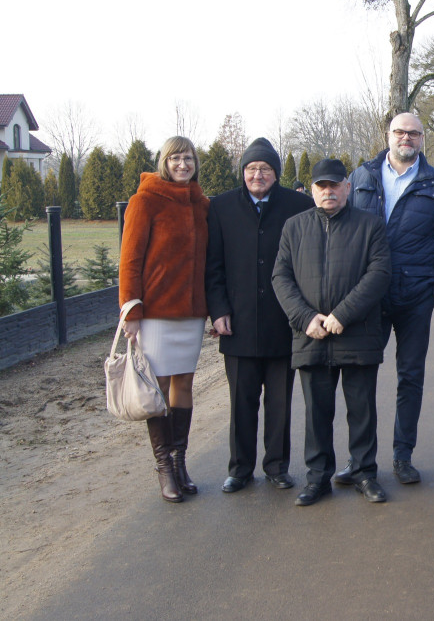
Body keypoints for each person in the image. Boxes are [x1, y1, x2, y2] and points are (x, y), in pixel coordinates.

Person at [346, 112, 434, 485]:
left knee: (410, 377)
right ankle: (360, 459)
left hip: (416, 298)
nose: (406, 138)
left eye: (414, 133)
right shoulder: (361, 177)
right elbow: (344, 233)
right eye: (400, 131)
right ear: (388, 135)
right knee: (361, 377)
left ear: (423, 139)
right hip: (369, 297)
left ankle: (402, 455)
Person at [272, 159, 391, 506]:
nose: (329, 191)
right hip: (312, 335)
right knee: (316, 413)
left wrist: (343, 314)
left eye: (335, 185)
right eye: (322, 186)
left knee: (362, 410)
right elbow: (281, 277)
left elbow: (379, 274)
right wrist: (305, 317)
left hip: (357, 333)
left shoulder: (370, 226)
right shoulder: (294, 228)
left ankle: (365, 473)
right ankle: (317, 478)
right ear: (312, 190)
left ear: (347, 187)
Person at [206, 137, 313, 494]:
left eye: (265, 169)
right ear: (243, 172)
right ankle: (239, 469)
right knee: (241, 401)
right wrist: (218, 310)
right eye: (251, 169)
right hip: (237, 321)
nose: (257, 175)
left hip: (283, 322)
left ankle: (277, 467)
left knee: (280, 402)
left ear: (276, 173)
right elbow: (213, 266)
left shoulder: (298, 205)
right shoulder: (220, 207)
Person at [119, 136, 209, 502]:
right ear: (164, 162)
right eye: (176, 159)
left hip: (190, 313)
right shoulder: (145, 202)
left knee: (183, 385)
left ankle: (180, 460)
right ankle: (163, 468)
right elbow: (129, 260)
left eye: (188, 158)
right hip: (154, 313)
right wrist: (132, 310)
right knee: (156, 390)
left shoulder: (202, 205)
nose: (183, 165)